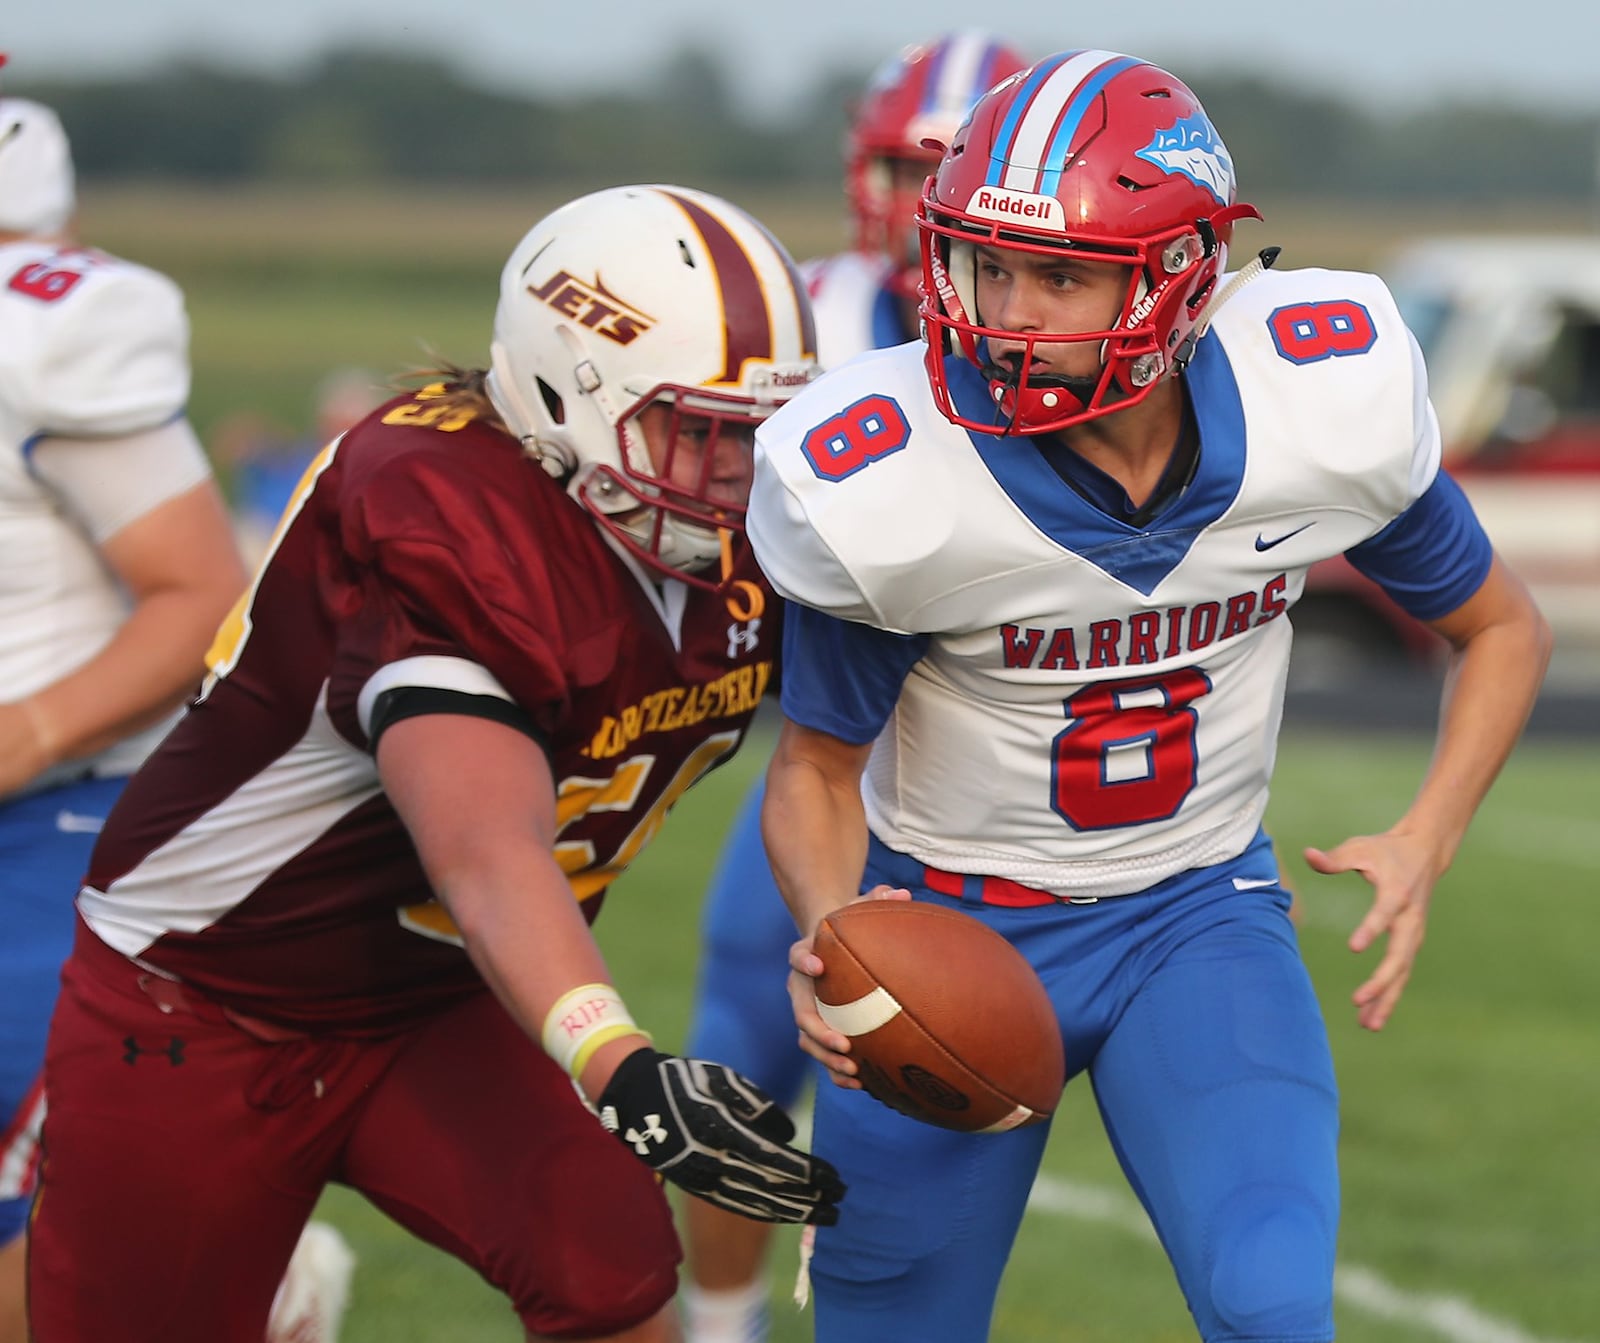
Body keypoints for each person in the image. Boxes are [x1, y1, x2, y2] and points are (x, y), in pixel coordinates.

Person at [748, 50, 1551, 1343]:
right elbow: (816, 768)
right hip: (954, 924)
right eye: (986, 263)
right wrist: (839, 926)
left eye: (1061, 273)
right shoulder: (891, 482)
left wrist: (1428, 832)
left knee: (1272, 1301)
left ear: (1183, 273)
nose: (1006, 309)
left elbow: (1501, 625)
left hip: (1197, 915)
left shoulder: (1317, 408)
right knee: (894, 1323)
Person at [26, 183, 844, 1343]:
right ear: (569, 392)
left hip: (430, 999)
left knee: (610, 1264)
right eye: (700, 431)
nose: (740, 473)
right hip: (207, 998)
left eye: (759, 431)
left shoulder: (741, 540)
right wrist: (619, 1064)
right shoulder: (441, 503)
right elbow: (484, 848)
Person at [677, 33, 1026, 1343]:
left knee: (971, 1065)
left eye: (946, 165)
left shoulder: (1084, 333)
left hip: (1005, 782)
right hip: (826, 745)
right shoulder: (792, 313)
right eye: (900, 162)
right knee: (742, 1041)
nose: (921, 196)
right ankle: (720, 1321)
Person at [220, 366, 387, 565]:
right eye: (336, 422)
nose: (341, 433)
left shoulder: (381, 477)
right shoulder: (294, 456)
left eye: (350, 425)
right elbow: (230, 446)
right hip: (271, 540)